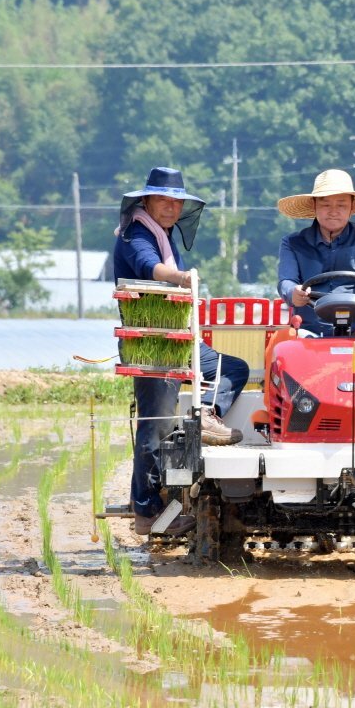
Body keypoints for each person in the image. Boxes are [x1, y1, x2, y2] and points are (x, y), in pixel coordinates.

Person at [113, 167, 250, 536]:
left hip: (181, 339)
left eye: (177, 202)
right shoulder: (135, 233)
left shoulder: (164, 234)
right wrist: (181, 277)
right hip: (151, 344)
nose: (171, 208)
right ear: (146, 200)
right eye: (164, 200)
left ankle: (208, 411)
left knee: (232, 368)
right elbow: (147, 267)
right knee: (155, 427)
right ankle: (147, 513)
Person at [276, 168, 355, 336]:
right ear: (314, 206)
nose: (333, 211)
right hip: (309, 331)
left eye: (341, 205)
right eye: (325, 204)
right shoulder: (292, 243)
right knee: (281, 341)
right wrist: (293, 292)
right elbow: (286, 281)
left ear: (352, 208)